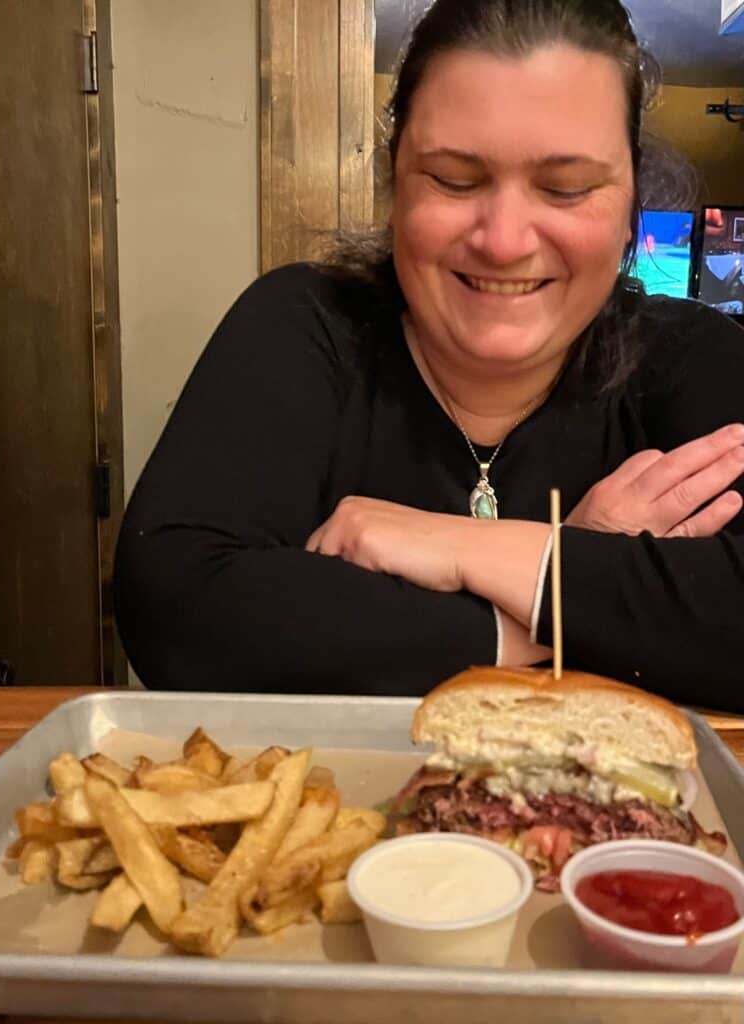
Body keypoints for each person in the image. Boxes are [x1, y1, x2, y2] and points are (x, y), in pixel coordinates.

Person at [114, 0, 744, 709]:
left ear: (632, 210)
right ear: (394, 186)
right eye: (453, 179)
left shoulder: (694, 356)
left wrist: (476, 552)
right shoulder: (302, 324)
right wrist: (561, 594)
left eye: (565, 188)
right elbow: (175, 605)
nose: (504, 240)